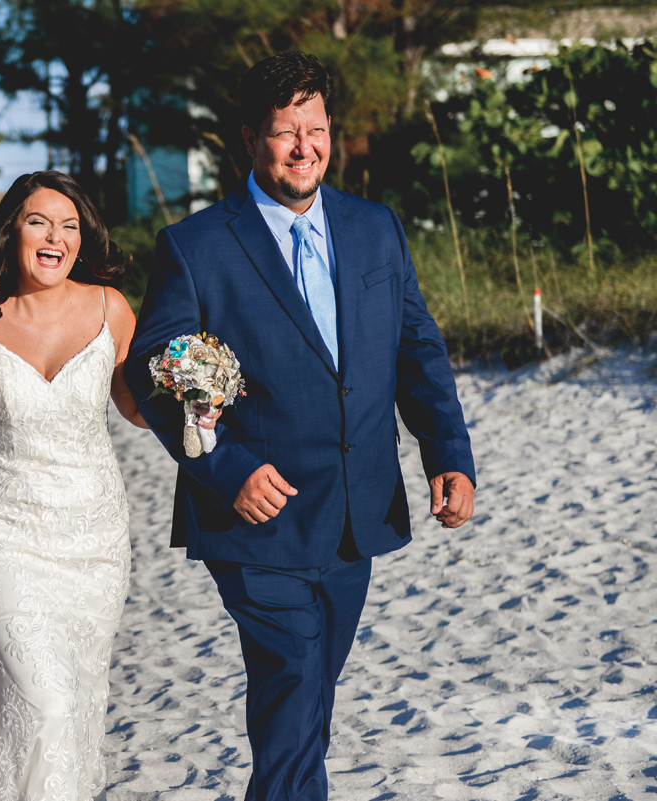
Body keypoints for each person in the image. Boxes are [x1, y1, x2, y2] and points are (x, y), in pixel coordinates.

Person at [123, 52, 476, 800]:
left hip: (357, 509)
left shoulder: (376, 228)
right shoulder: (196, 246)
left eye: (315, 129)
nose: (304, 147)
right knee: (292, 684)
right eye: (286, 132)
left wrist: (447, 452)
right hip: (259, 518)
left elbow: (417, 349)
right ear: (251, 138)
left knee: (310, 697)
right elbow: (154, 372)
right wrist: (226, 468)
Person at [0, 170, 215, 800]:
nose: (55, 237)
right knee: (46, 698)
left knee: (76, 696)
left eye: (70, 225)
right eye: (39, 221)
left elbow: (137, 408)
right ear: (12, 232)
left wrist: (195, 396)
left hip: (94, 538)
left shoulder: (111, 308)